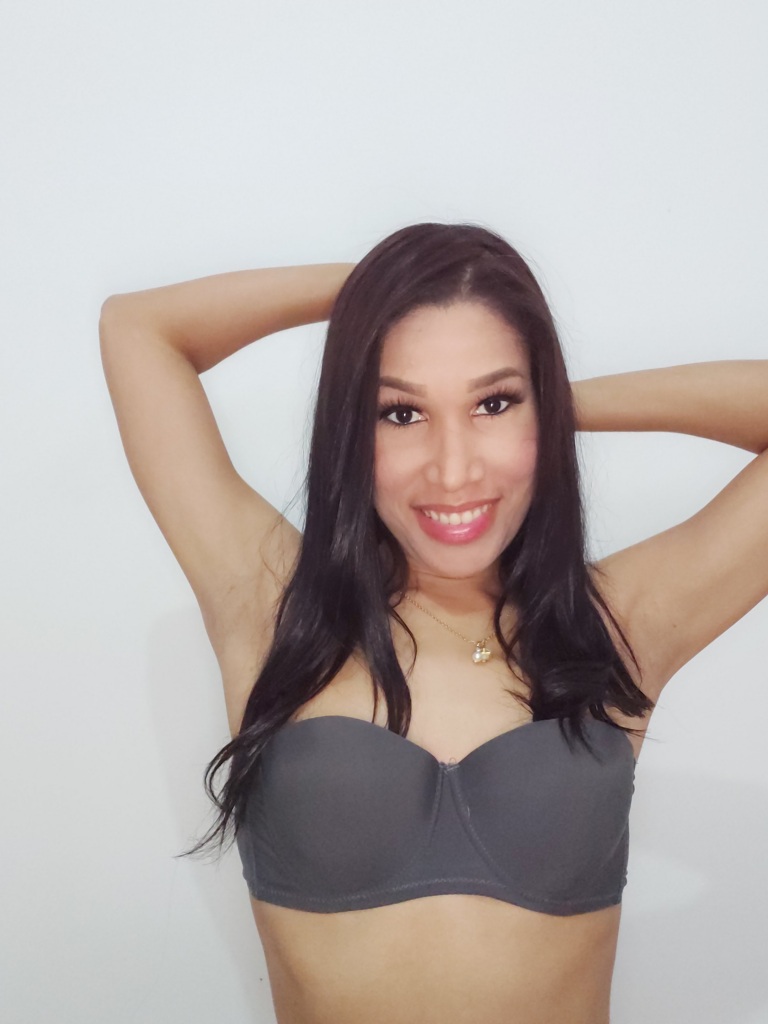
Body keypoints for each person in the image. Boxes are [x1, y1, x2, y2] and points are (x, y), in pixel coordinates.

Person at [99, 222, 768, 1024]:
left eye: (493, 403)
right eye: (401, 413)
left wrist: (555, 405)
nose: (454, 469)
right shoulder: (273, 604)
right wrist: (388, 283)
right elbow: (137, 330)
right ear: (352, 426)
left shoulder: (616, 626)